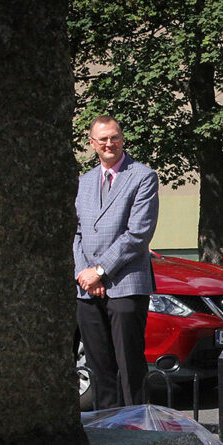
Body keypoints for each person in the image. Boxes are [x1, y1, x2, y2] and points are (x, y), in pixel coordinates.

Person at [74, 115, 160, 409]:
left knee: (130, 368)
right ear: (92, 144)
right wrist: (83, 274)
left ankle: (136, 430)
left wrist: (100, 271)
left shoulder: (143, 176)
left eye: (115, 137)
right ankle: (107, 431)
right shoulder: (83, 182)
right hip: (87, 289)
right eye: (103, 139)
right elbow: (76, 233)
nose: (110, 144)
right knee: (99, 369)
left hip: (125, 285)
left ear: (122, 139)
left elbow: (138, 234)